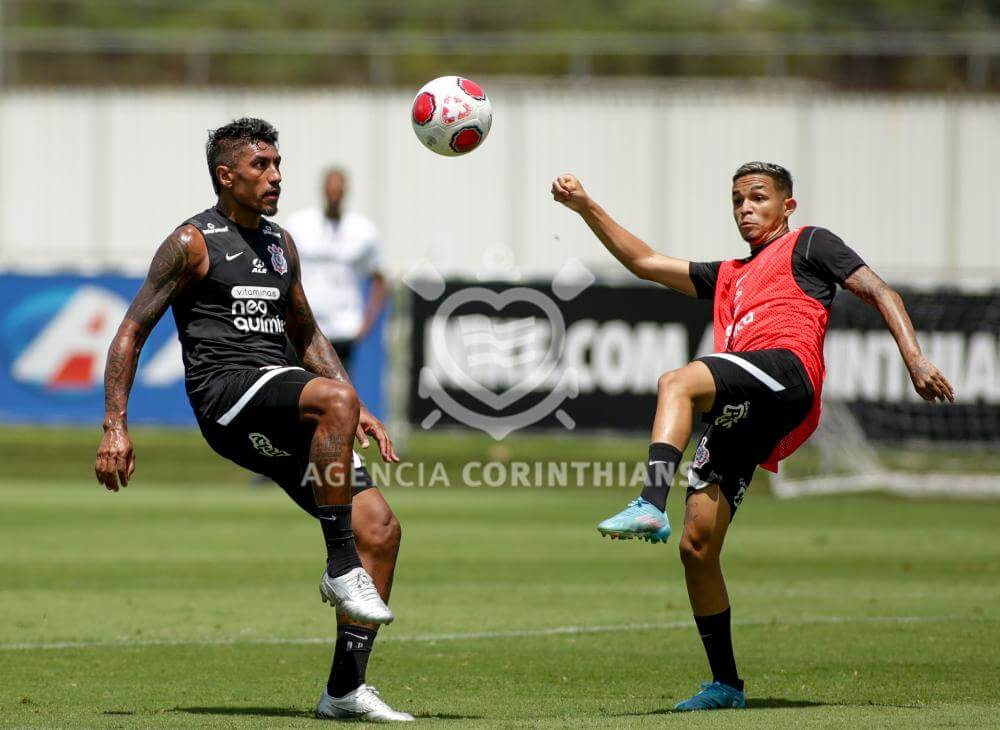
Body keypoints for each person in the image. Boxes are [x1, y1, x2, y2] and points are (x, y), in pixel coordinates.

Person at [551, 161, 954, 712]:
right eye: (737, 199)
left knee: (677, 382)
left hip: (787, 371)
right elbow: (644, 262)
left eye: (758, 198)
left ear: (787, 206)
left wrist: (915, 358)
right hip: (749, 401)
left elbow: (881, 291)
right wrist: (585, 207)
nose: (746, 208)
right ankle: (725, 685)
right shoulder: (730, 273)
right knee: (697, 547)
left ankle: (649, 501)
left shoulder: (810, 244)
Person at [94, 118, 413, 722]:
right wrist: (116, 422)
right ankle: (340, 568)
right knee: (336, 414)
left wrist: (358, 405)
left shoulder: (279, 244)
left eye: (278, 163)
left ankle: (344, 690)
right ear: (226, 175)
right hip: (226, 395)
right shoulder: (192, 242)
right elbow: (132, 329)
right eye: (261, 166)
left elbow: (307, 334)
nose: (276, 176)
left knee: (382, 532)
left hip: (283, 401)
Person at [284, 167, 386, 373]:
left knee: (337, 393)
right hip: (305, 325)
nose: (334, 196)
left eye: (338, 191)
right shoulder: (298, 225)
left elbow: (380, 279)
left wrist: (366, 324)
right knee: (299, 389)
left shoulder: (364, 231)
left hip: (343, 328)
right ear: (323, 190)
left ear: (345, 192)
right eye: (330, 190)